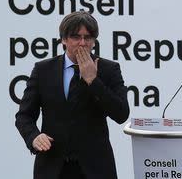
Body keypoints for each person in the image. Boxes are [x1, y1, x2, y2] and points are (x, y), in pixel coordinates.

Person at [15, 11, 129, 179]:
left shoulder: (108, 69)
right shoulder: (43, 70)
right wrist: (34, 137)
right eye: (76, 37)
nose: (82, 43)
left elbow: (121, 114)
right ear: (64, 39)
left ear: (94, 41)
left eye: (88, 38)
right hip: (52, 167)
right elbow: (24, 116)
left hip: (96, 169)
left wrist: (93, 81)